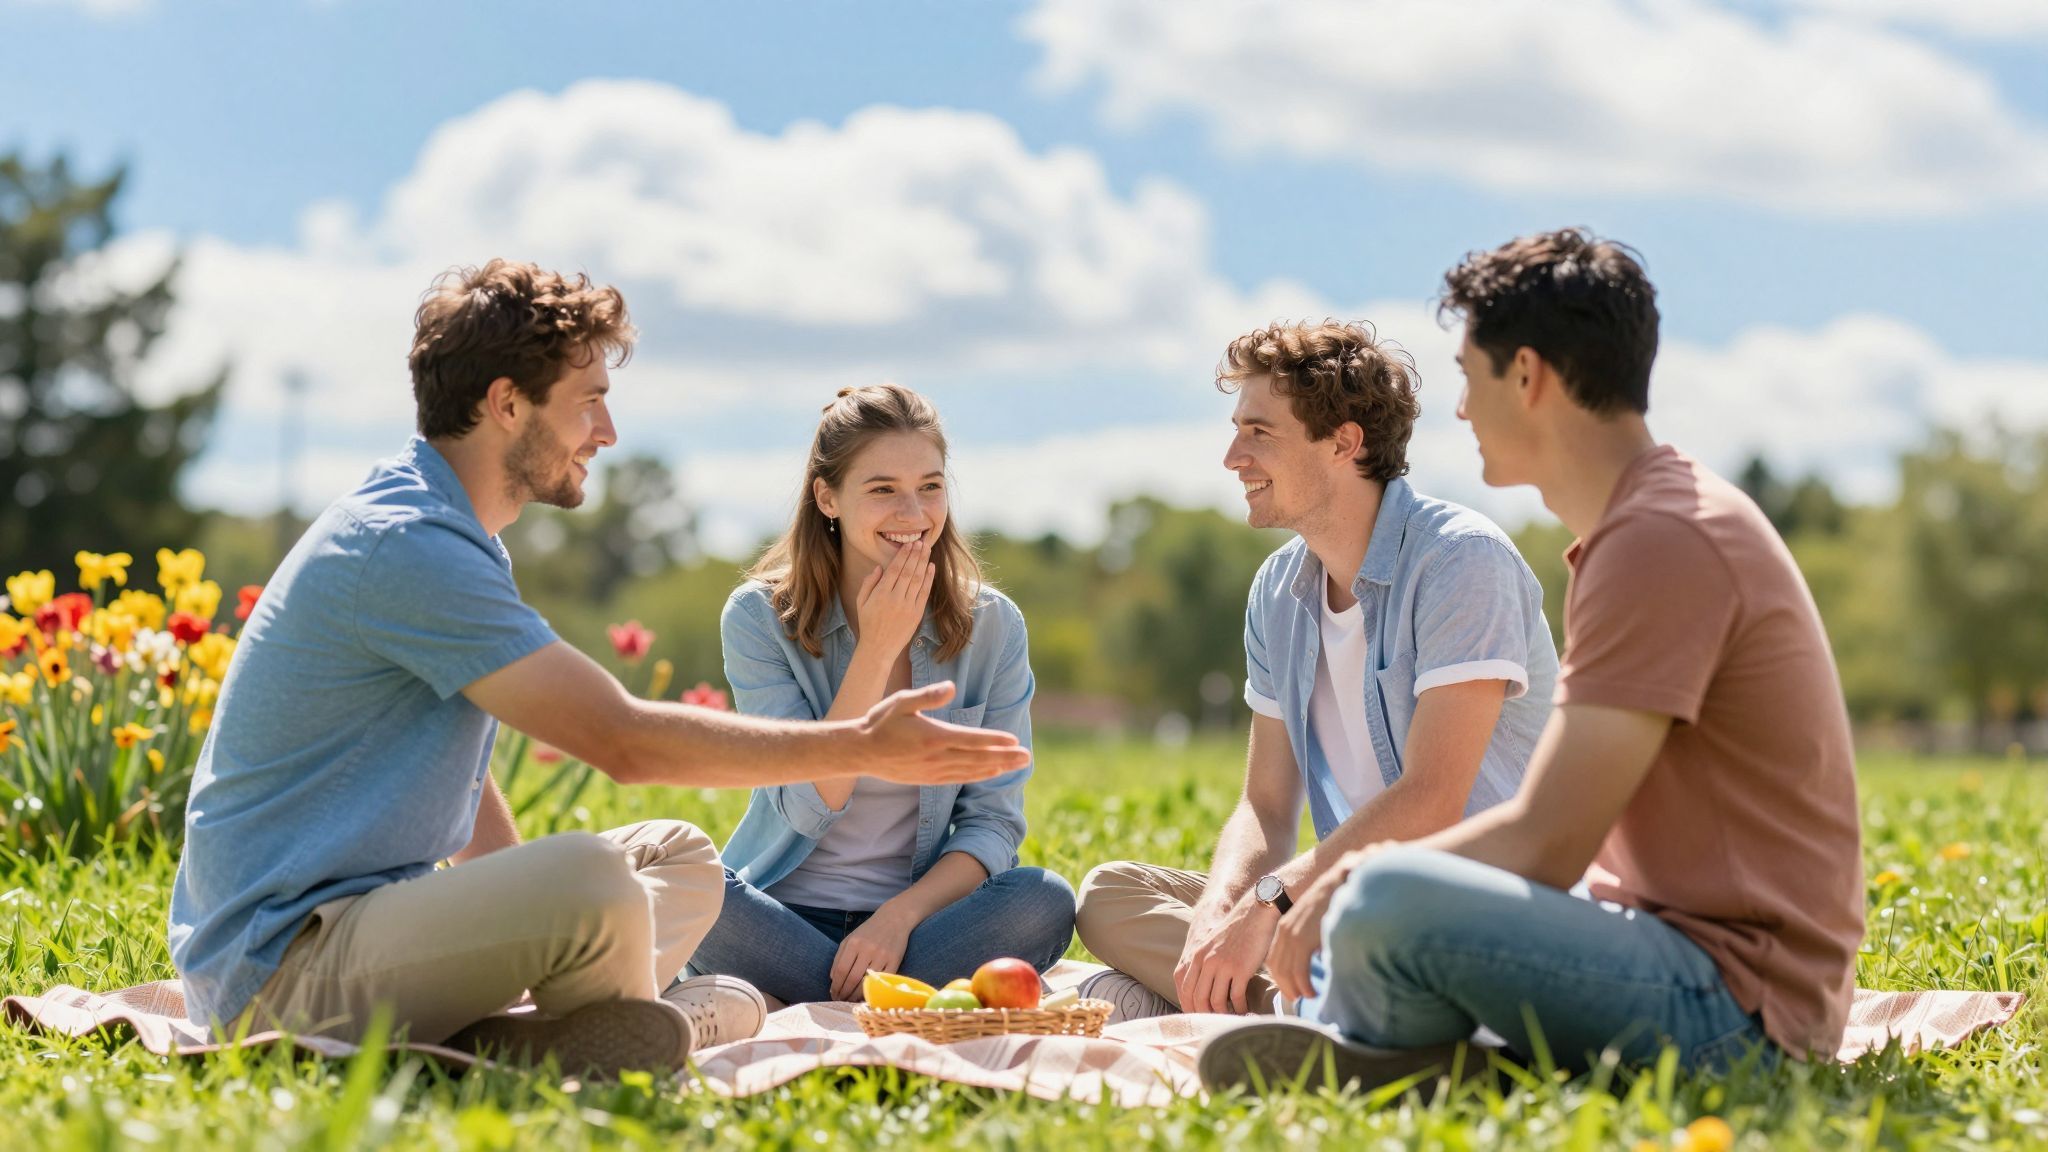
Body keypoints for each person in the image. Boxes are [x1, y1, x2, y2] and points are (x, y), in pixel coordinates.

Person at [167, 262, 1027, 1078]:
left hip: (362, 933)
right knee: (588, 882)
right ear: (507, 403)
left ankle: (558, 1025)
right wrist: (859, 741)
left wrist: (513, 909)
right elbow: (623, 742)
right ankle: (598, 1023)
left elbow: (463, 788)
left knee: (678, 855)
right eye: (589, 403)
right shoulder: (409, 546)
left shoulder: (453, 533)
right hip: (280, 975)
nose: (607, 434)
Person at [1198, 229, 1864, 1093]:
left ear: (1529, 376)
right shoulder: (1639, 529)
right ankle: (1440, 1066)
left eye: (1472, 377)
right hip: (1664, 952)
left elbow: (1548, 841)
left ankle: (1394, 1054)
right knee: (1370, 905)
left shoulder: (1662, 539)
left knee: (1381, 904)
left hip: (1741, 1008)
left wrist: (1346, 881)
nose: (1463, 410)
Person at [1075, 321, 1557, 1020]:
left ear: (1344, 442)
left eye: (1258, 433)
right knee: (1107, 894)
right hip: (1330, 905)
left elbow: (1432, 800)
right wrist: (1218, 913)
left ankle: (1272, 1003)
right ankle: (1286, 1001)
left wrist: (1273, 903)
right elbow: (1265, 807)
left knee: (1369, 934)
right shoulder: (1278, 590)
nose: (1232, 457)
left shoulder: (1461, 562)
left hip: (1465, 905)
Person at [688, 384, 1076, 1006]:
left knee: (1044, 899)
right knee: (683, 884)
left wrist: (898, 917)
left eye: (930, 486)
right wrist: (875, 649)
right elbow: (805, 805)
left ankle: (810, 1002)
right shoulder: (759, 617)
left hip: (919, 928)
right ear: (827, 497)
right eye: (882, 490)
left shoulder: (994, 626)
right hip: (778, 914)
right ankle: (888, 1004)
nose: (913, 513)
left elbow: (991, 826)